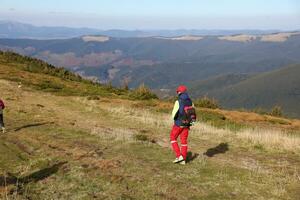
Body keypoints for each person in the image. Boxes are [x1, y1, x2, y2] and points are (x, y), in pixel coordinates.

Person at [170, 85, 194, 165]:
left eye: (177, 91)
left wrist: (175, 120)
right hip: (187, 124)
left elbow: (174, 114)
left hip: (179, 124)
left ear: (179, 92)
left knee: (173, 138)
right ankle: (183, 160)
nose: (177, 93)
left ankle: (178, 156)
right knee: (184, 141)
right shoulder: (190, 101)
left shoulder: (178, 101)